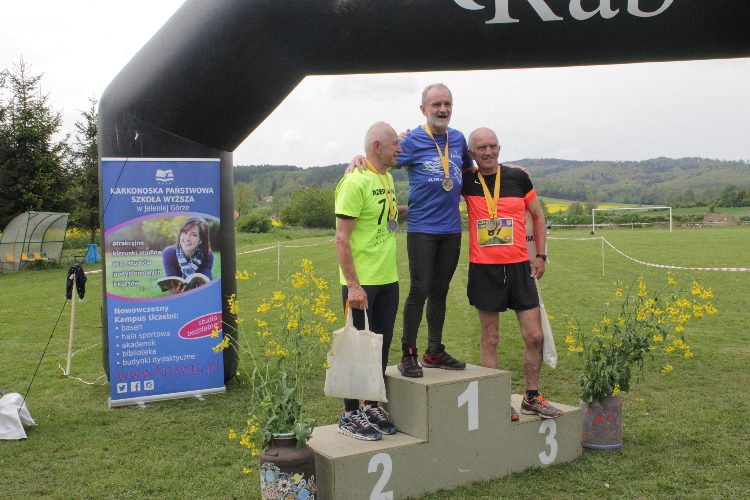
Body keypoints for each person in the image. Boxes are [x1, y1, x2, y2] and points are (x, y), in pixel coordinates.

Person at [462, 127, 563, 421]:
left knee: (534, 336)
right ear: (471, 152)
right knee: (490, 337)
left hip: (520, 267)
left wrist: (541, 255)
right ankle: (496, 402)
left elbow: (538, 215)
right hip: (484, 269)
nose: (488, 152)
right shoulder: (466, 180)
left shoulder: (518, 178)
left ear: (499, 148)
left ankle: (531, 397)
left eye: (492, 146)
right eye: (482, 147)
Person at [334, 121, 403, 441]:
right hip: (362, 283)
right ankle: (349, 413)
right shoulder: (354, 181)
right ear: (377, 147)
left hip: (388, 278)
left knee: (380, 346)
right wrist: (353, 285)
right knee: (357, 349)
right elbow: (341, 238)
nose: (399, 149)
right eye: (394, 144)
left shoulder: (386, 177)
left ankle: (371, 405)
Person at [162, 217, 214, 294]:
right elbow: (171, 281)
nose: (187, 238)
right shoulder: (169, 253)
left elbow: (206, 280)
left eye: (194, 235)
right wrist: (175, 290)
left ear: (200, 241)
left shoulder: (208, 255)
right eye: (185, 232)